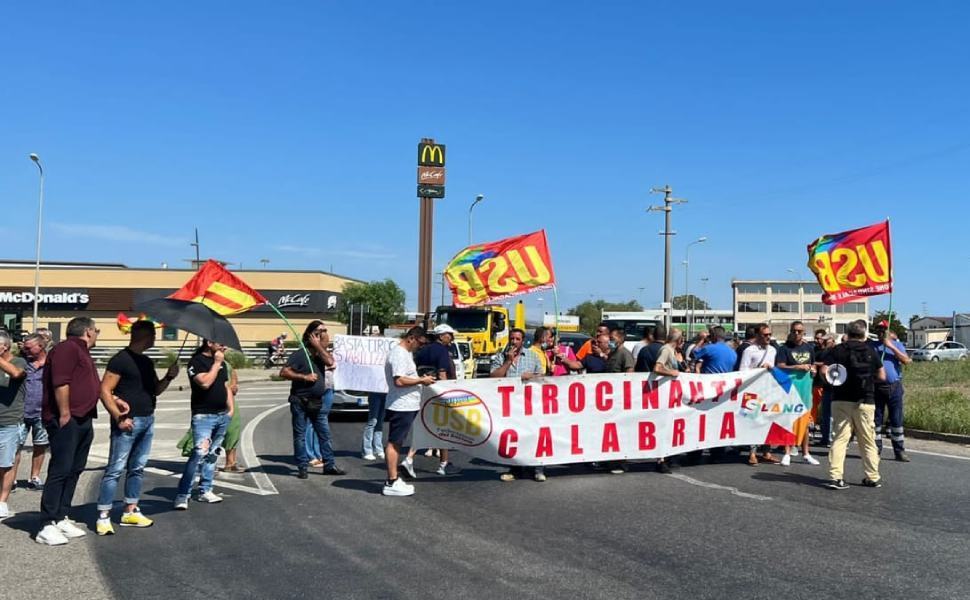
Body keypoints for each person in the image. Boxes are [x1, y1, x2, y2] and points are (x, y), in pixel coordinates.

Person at [94, 320, 179, 535]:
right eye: (153, 335)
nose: (155, 339)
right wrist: (118, 417)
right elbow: (104, 390)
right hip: (128, 422)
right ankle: (103, 515)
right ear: (144, 336)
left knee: (137, 468)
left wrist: (169, 377)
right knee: (115, 469)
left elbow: (156, 390)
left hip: (147, 418)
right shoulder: (121, 360)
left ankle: (130, 510)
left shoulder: (146, 362)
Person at [36, 317, 101, 546]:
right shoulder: (68, 348)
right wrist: (64, 413)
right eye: (96, 330)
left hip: (83, 417)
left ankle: (61, 515)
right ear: (88, 331)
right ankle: (46, 523)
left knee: (75, 469)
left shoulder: (82, 351)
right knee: (61, 469)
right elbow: (60, 382)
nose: (97, 334)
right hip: (67, 418)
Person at [822, 319, 885, 490]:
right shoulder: (870, 351)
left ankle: (836, 477)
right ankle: (872, 477)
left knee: (840, 439)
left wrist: (832, 383)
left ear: (847, 333)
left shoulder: (837, 350)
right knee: (867, 440)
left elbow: (824, 370)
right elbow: (882, 376)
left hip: (841, 399)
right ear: (864, 334)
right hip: (865, 400)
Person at [174, 339, 235, 509]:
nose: (224, 346)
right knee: (199, 454)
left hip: (222, 414)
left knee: (213, 454)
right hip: (204, 416)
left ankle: (205, 489)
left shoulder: (222, 362)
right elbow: (205, 382)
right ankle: (183, 494)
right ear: (209, 342)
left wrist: (230, 409)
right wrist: (216, 363)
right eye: (221, 343)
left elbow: (225, 386)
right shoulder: (197, 361)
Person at [280, 321, 345, 479]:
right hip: (300, 401)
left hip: (317, 401)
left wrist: (318, 347)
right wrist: (304, 377)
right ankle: (302, 466)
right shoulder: (300, 354)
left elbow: (330, 362)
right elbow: (284, 372)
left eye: (325, 330)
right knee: (300, 435)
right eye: (320, 331)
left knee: (324, 434)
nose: (324, 333)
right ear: (311, 334)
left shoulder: (319, 354)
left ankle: (329, 465)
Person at [382, 326, 434, 496]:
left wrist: (419, 379)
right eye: (420, 343)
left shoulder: (405, 353)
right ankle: (391, 481)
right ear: (411, 338)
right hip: (401, 405)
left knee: (398, 442)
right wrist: (421, 380)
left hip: (407, 404)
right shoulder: (399, 353)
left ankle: (394, 478)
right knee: (394, 442)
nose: (420, 347)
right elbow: (399, 381)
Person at [491, 328, 545, 482]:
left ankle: (538, 468)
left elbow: (542, 376)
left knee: (533, 434)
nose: (514, 342)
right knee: (514, 436)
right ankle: (515, 469)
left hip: (529, 403)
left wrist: (531, 377)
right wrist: (508, 361)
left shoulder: (532, 356)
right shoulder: (501, 356)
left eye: (517, 339)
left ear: (523, 341)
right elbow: (494, 376)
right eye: (512, 338)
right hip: (510, 405)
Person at [412, 324, 459, 476]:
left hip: (422, 392)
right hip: (438, 393)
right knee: (443, 427)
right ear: (441, 336)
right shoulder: (442, 351)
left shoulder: (422, 350)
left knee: (425, 426)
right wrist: (448, 393)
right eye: (449, 335)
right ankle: (443, 464)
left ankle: (410, 459)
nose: (451, 338)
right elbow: (442, 373)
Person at [775, 322, 820, 466]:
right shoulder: (784, 348)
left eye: (799, 331)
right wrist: (797, 367)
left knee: (805, 422)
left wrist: (813, 370)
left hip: (805, 389)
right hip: (790, 388)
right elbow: (780, 366)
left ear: (804, 332)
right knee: (789, 420)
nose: (796, 334)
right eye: (794, 331)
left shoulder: (809, 348)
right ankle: (787, 452)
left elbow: (813, 364)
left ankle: (806, 453)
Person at [870, 325, 912, 462]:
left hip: (894, 387)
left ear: (889, 332)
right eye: (879, 331)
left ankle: (899, 451)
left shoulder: (897, 345)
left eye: (884, 331)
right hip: (876, 387)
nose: (881, 333)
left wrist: (891, 347)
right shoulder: (871, 346)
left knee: (896, 420)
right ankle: (875, 450)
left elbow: (906, 361)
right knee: (876, 420)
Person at [739, 323, 779, 467]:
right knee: (752, 421)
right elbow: (742, 371)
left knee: (768, 419)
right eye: (765, 335)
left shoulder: (773, 350)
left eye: (770, 334)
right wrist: (758, 369)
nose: (768, 337)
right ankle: (752, 453)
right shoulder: (749, 350)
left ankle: (767, 451)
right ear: (757, 335)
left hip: (768, 389)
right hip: (753, 390)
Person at [0, 330, 27, 521]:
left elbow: (16, 374)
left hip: (9, 421)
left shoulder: (19, 362)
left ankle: (2, 502)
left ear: (5, 347)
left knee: (5, 464)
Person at [652, 328, 686, 473]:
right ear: (678, 340)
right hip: (664, 393)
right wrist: (671, 372)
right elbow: (657, 367)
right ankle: (661, 460)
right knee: (664, 425)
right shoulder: (666, 350)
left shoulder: (671, 351)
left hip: (670, 393)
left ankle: (666, 458)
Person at [21, 333, 49, 490]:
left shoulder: (52, 364)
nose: (25, 351)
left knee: (40, 445)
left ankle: (34, 477)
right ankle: (10, 479)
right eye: (24, 348)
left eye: (29, 348)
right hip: (21, 412)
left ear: (41, 346)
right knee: (15, 447)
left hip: (42, 412)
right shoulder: (22, 363)